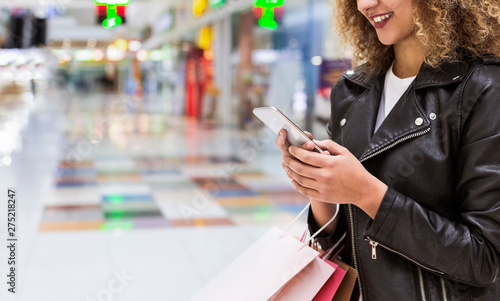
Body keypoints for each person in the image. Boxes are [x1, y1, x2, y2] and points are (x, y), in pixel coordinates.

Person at [276, 0, 500, 300]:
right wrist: (318, 186)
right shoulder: (352, 90)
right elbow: (345, 241)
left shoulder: (484, 89)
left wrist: (366, 193)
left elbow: (485, 260)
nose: (367, 4)